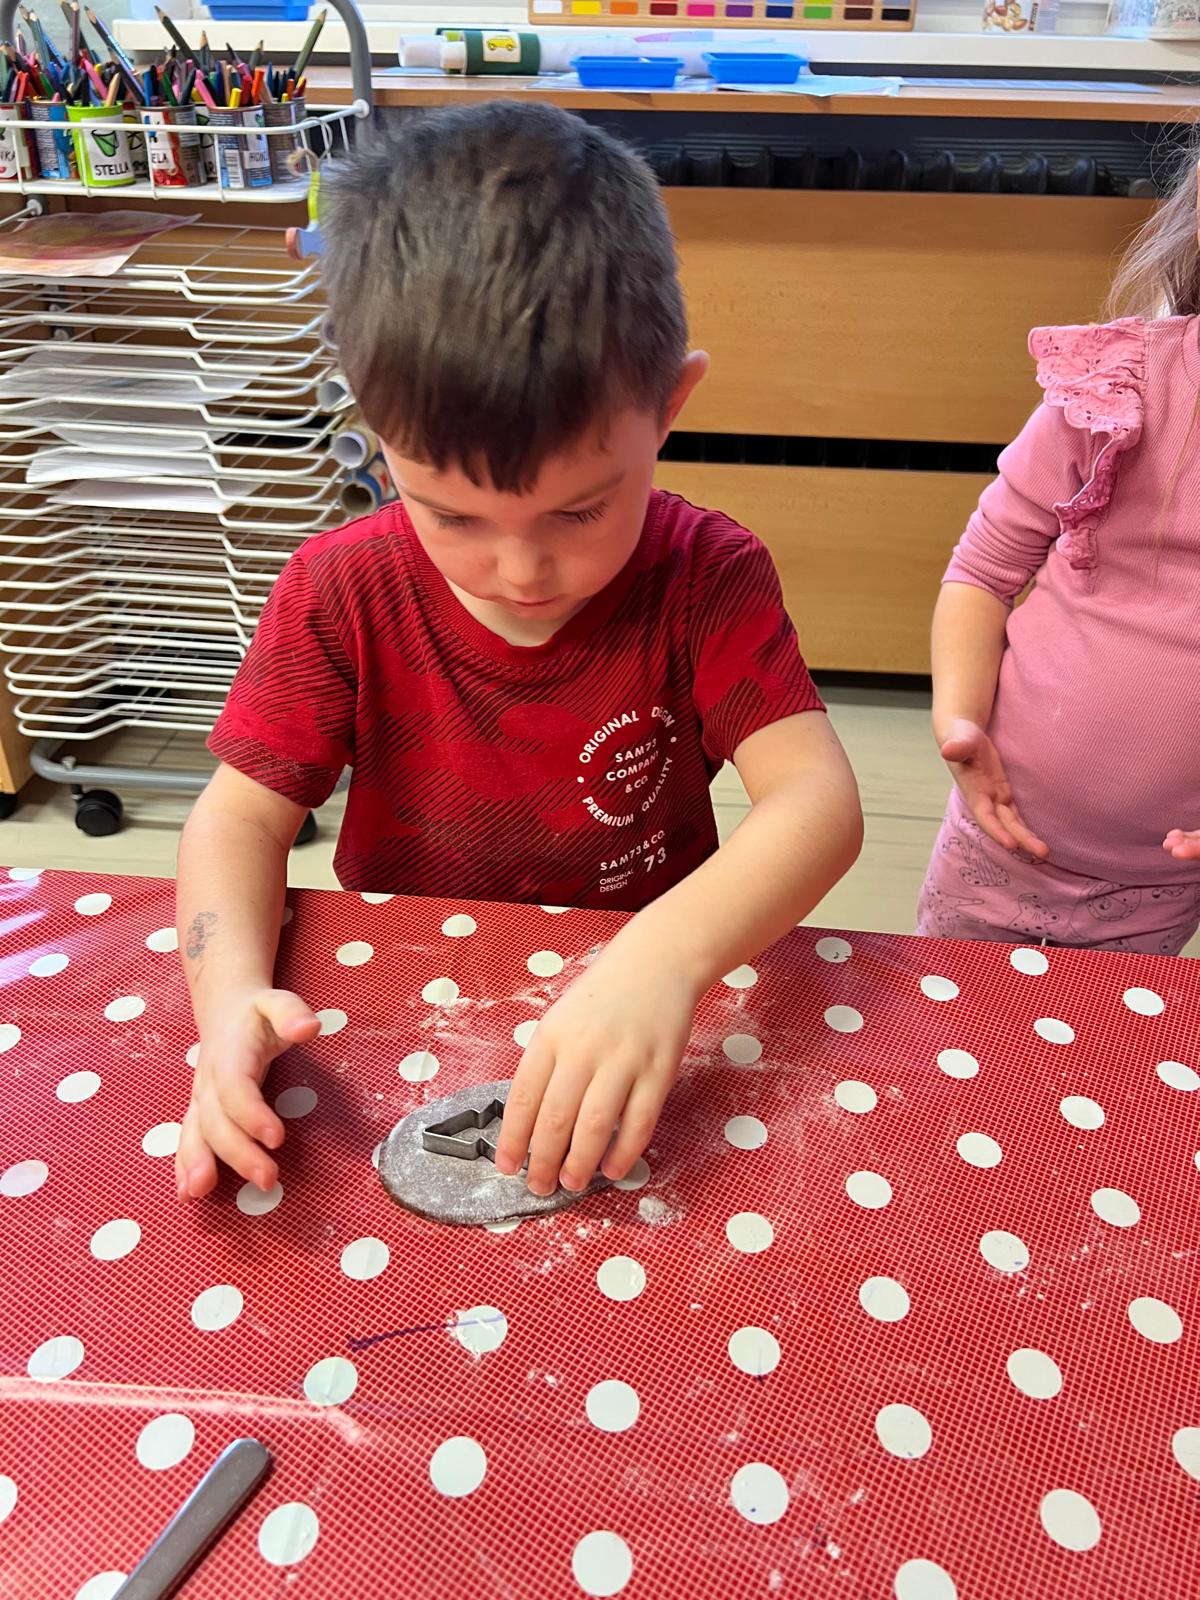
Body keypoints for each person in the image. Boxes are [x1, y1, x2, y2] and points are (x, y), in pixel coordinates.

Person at [174, 104, 863, 1205]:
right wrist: (227, 1006)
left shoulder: (707, 574)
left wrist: (665, 957)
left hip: (643, 989)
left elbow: (817, 802)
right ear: (374, 433)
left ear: (670, 405)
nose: (521, 569)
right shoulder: (340, 590)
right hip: (408, 997)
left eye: (580, 511)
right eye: (451, 515)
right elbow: (239, 818)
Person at [919, 134, 1200, 954]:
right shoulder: (1121, 388)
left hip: (1163, 886)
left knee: (1100, 1033)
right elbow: (981, 572)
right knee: (947, 1014)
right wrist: (959, 723)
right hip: (999, 831)